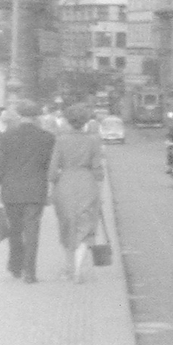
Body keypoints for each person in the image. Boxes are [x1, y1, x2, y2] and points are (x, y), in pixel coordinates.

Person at [0, 103, 58, 283]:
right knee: (32, 232)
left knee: (15, 230)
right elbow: (49, 166)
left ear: (19, 116)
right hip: (35, 192)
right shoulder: (47, 138)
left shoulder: (7, 137)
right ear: (37, 117)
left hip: (11, 191)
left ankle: (15, 266)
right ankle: (30, 273)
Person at [48, 106, 104, 282]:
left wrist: (55, 182)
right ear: (86, 121)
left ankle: (69, 267)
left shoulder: (60, 140)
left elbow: (52, 170)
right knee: (85, 226)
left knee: (67, 225)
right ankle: (79, 269)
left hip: (65, 184)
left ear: (68, 120)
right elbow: (98, 170)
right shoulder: (94, 141)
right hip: (87, 184)